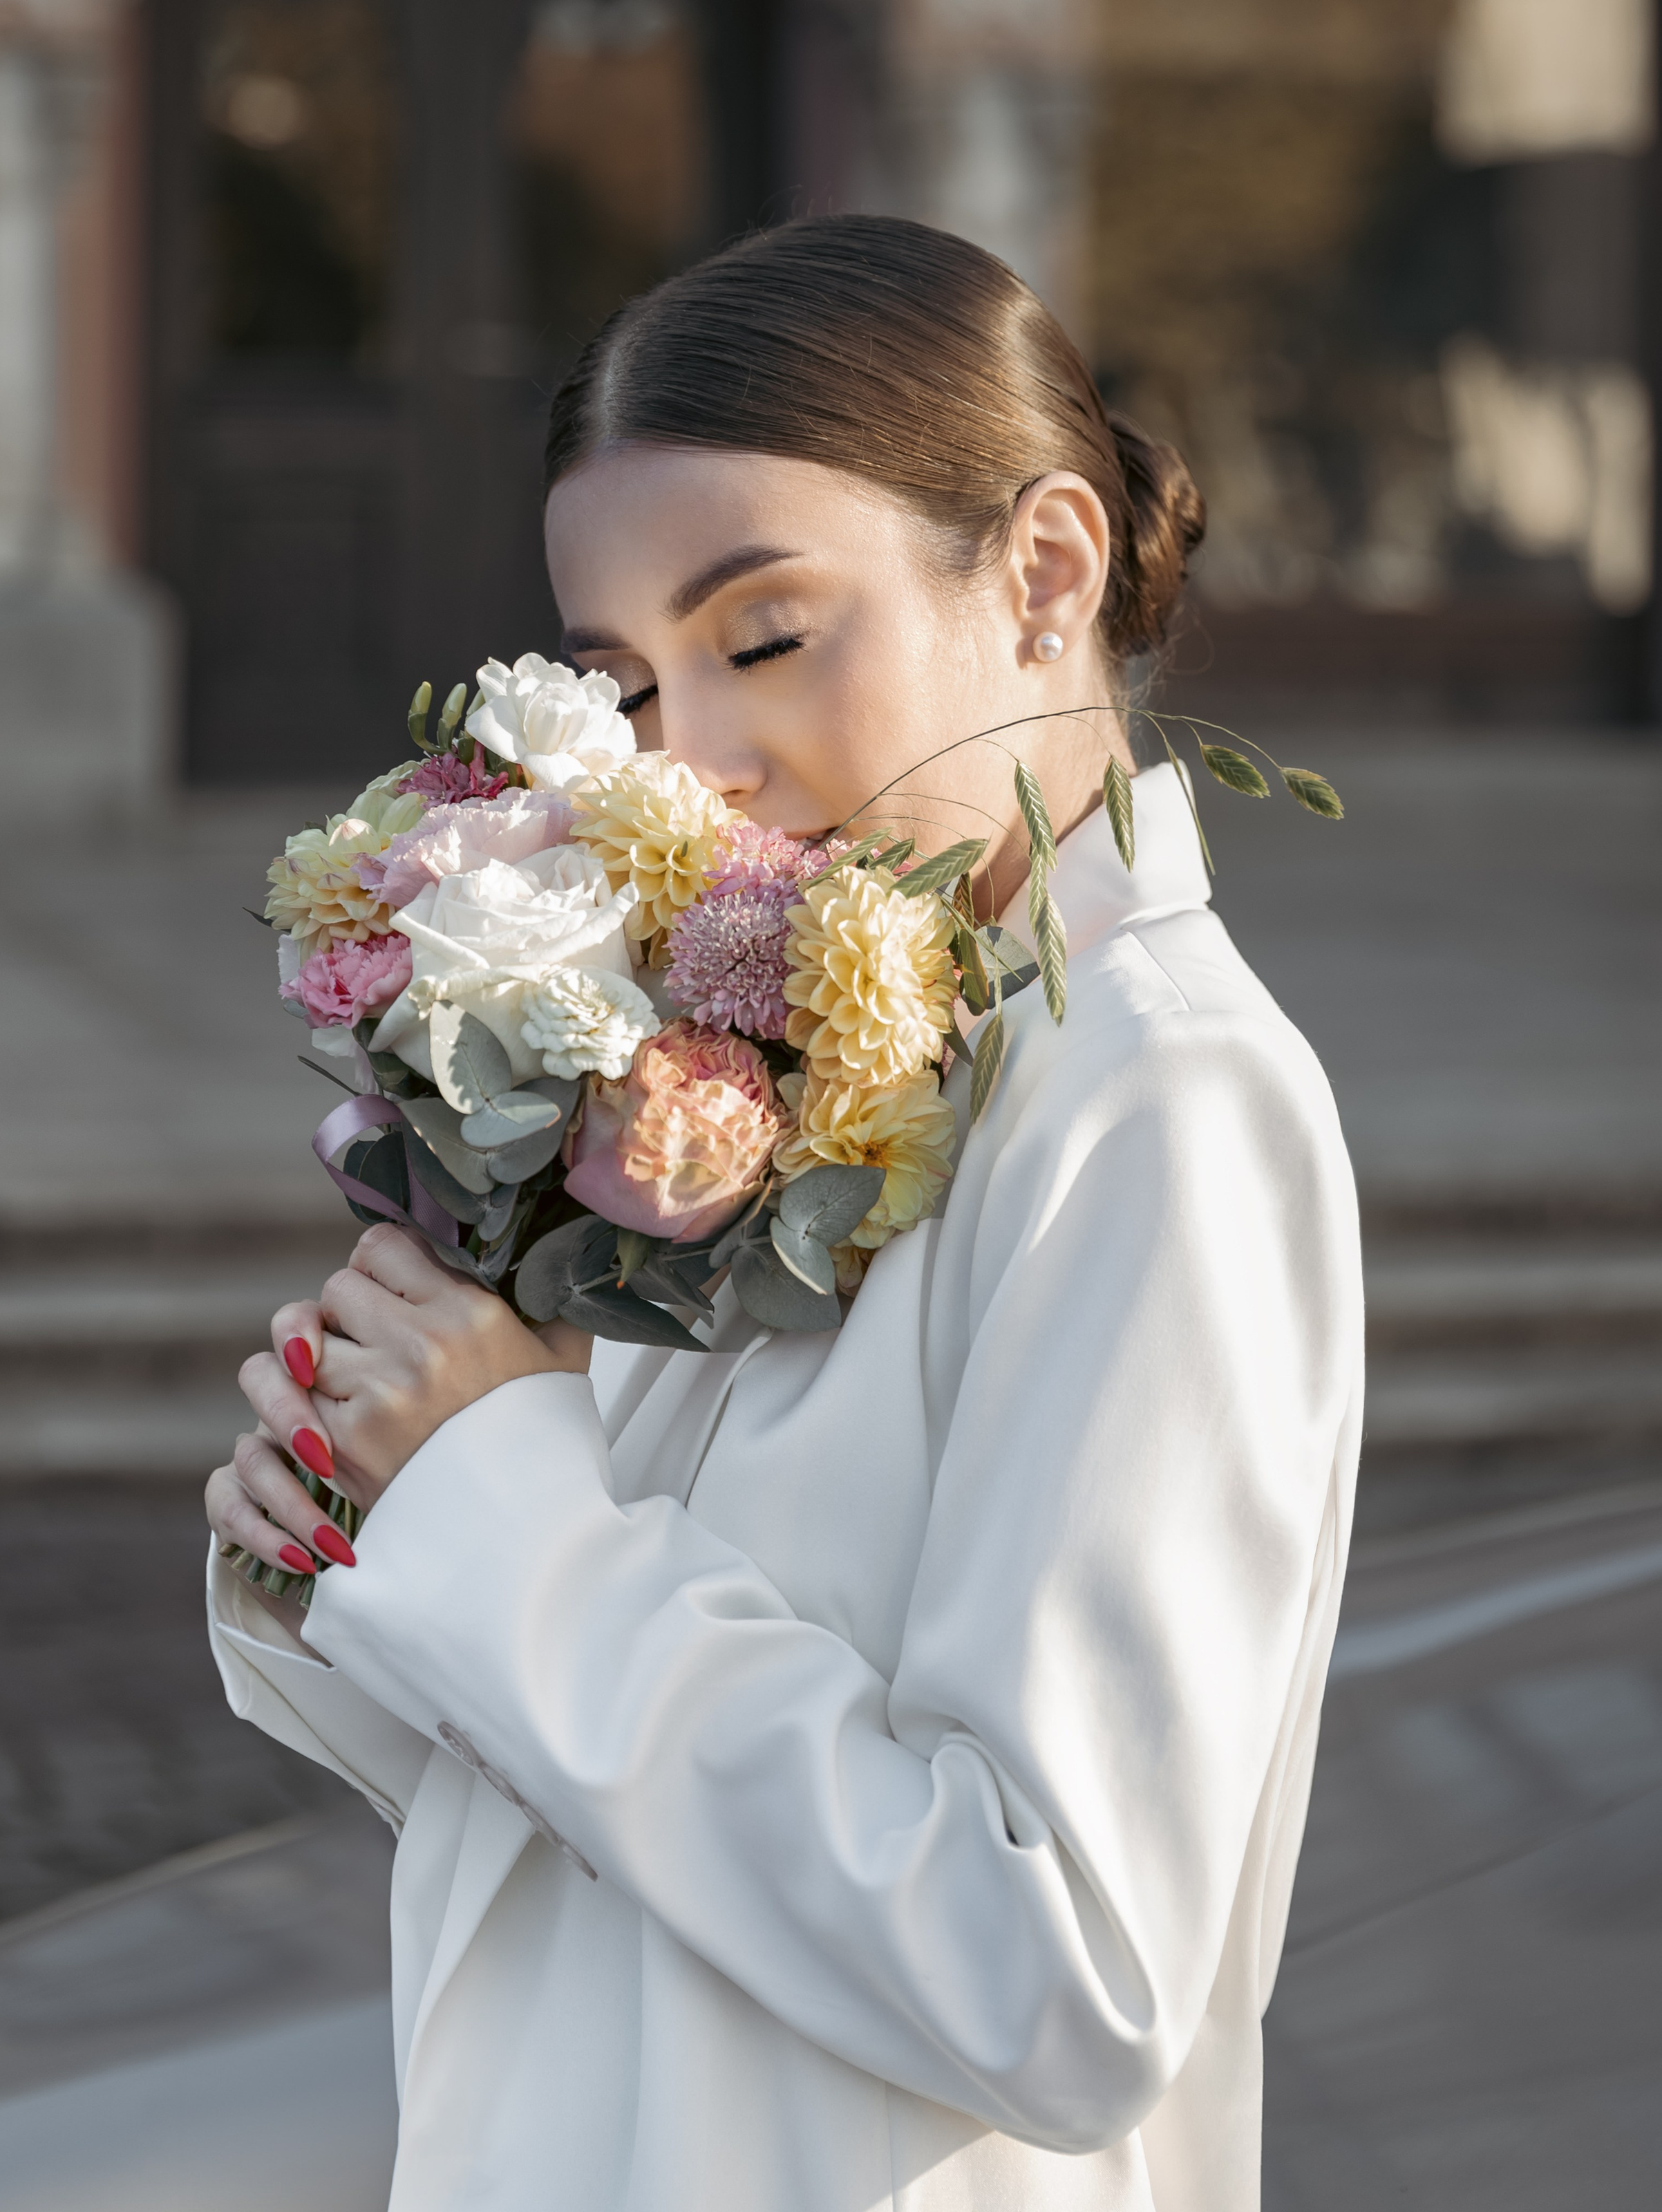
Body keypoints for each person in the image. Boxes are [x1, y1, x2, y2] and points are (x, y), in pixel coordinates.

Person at [206, 215, 1362, 2212]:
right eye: (633, 690)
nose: (703, 770)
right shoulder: (777, 1054)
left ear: (1047, 570)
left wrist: (502, 1507)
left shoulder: (1162, 1106)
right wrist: (361, 1523)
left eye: (762, 640)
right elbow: (590, 1796)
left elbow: (1058, 1975)